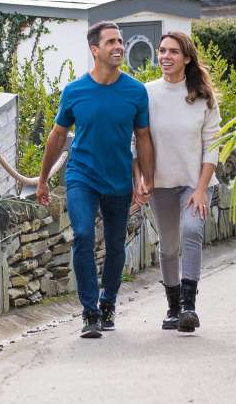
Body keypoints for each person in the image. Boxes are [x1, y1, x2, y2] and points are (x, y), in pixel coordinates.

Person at [37, 21, 154, 338]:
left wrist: (146, 179)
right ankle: (90, 313)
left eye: (120, 41)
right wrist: (43, 178)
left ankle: (108, 303)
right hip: (81, 177)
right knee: (84, 236)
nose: (119, 46)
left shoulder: (135, 91)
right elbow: (57, 135)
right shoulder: (75, 92)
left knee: (116, 246)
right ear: (95, 50)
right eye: (111, 42)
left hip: (118, 180)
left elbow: (143, 137)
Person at [133, 31, 220, 333]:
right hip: (159, 184)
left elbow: (212, 147)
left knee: (192, 231)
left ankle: (189, 307)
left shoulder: (203, 98)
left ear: (186, 58)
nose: (165, 57)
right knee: (169, 246)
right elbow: (135, 141)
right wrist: (140, 180)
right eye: (162, 51)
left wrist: (201, 189)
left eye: (172, 51)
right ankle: (172, 308)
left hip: (192, 184)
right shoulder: (146, 93)